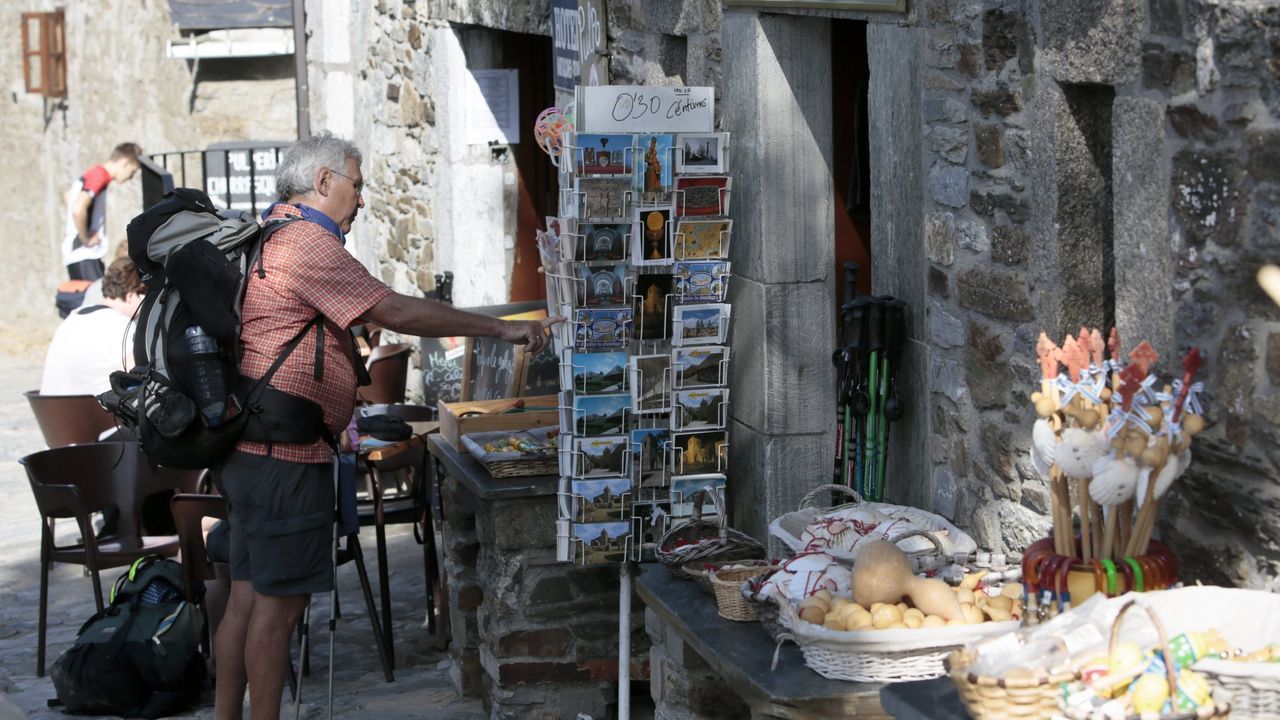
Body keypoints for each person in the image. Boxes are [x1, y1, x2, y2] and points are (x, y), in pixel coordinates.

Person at [212, 131, 559, 720]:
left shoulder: (269, 232)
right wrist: (500, 328)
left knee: (247, 601)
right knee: (278, 610)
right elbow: (391, 309)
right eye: (357, 185)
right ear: (323, 182)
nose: (363, 199)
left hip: (254, 451)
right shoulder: (304, 244)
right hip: (285, 459)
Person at [39, 257, 144, 396]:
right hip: (92, 414)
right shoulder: (120, 325)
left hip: (50, 414)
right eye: (144, 297)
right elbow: (137, 376)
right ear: (131, 295)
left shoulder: (73, 317)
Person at [63, 142, 143, 281]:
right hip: (85, 255)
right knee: (101, 299)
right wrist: (86, 239)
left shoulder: (92, 173)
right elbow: (77, 209)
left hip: (79, 256)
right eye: (132, 171)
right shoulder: (100, 176)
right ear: (124, 163)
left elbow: (68, 196)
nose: (130, 177)